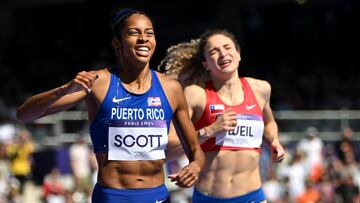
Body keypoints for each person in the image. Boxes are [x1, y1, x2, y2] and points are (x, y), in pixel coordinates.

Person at [16, 7, 205, 203]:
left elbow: (195, 151)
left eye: (149, 33)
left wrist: (195, 166)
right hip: (112, 196)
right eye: (134, 32)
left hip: (157, 195)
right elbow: (24, 115)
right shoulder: (98, 83)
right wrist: (65, 88)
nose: (143, 38)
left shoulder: (171, 88)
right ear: (117, 43)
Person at [160, 29, 285, 202]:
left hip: (253, 197)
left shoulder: (260, 89)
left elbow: (269, 122)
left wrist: (274, 141)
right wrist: (210, 130)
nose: (223, 53)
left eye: (227, 47)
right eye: (214, 51)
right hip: (209, 198)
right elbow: (168, 147)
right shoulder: (196, 95)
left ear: (238, 54)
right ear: (205, 64)